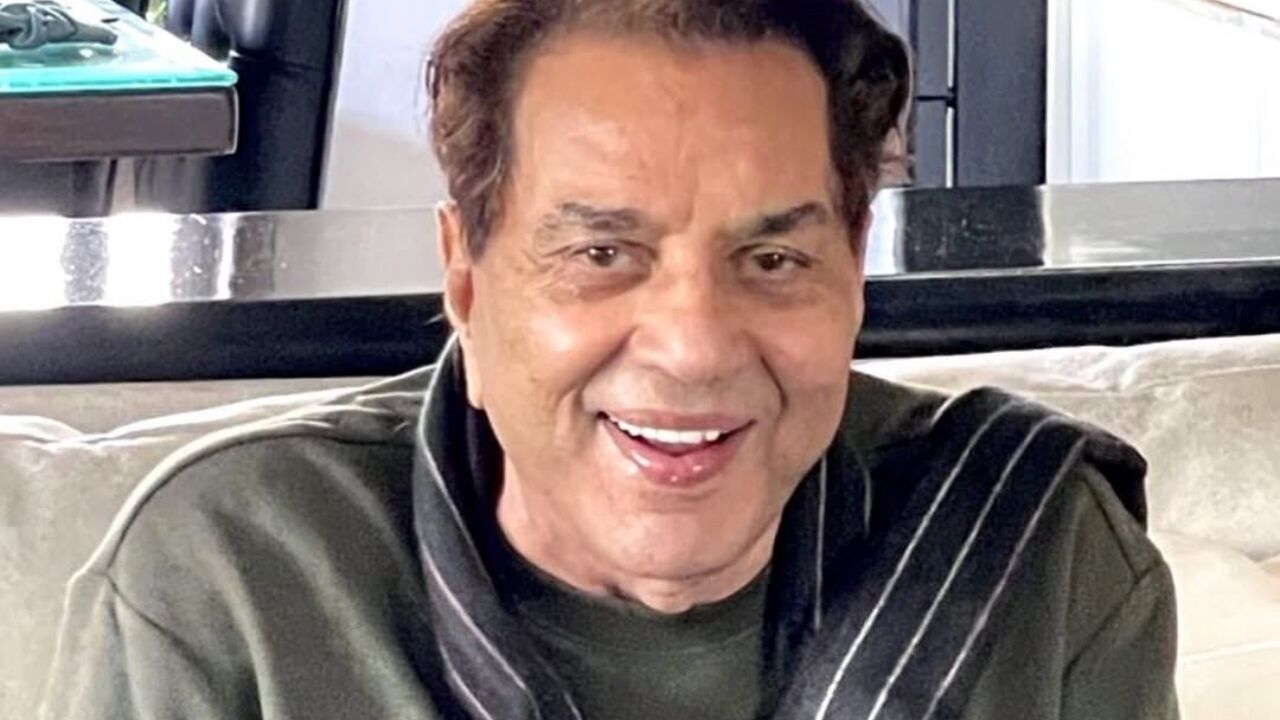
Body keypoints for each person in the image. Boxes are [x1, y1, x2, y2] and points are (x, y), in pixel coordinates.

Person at [40, 1, 1179, 718]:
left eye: (772, 260)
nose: (693, 346)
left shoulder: (1040, 559)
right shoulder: (232, 579)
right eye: (601, 253)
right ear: (466, 277)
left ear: (852, 272)